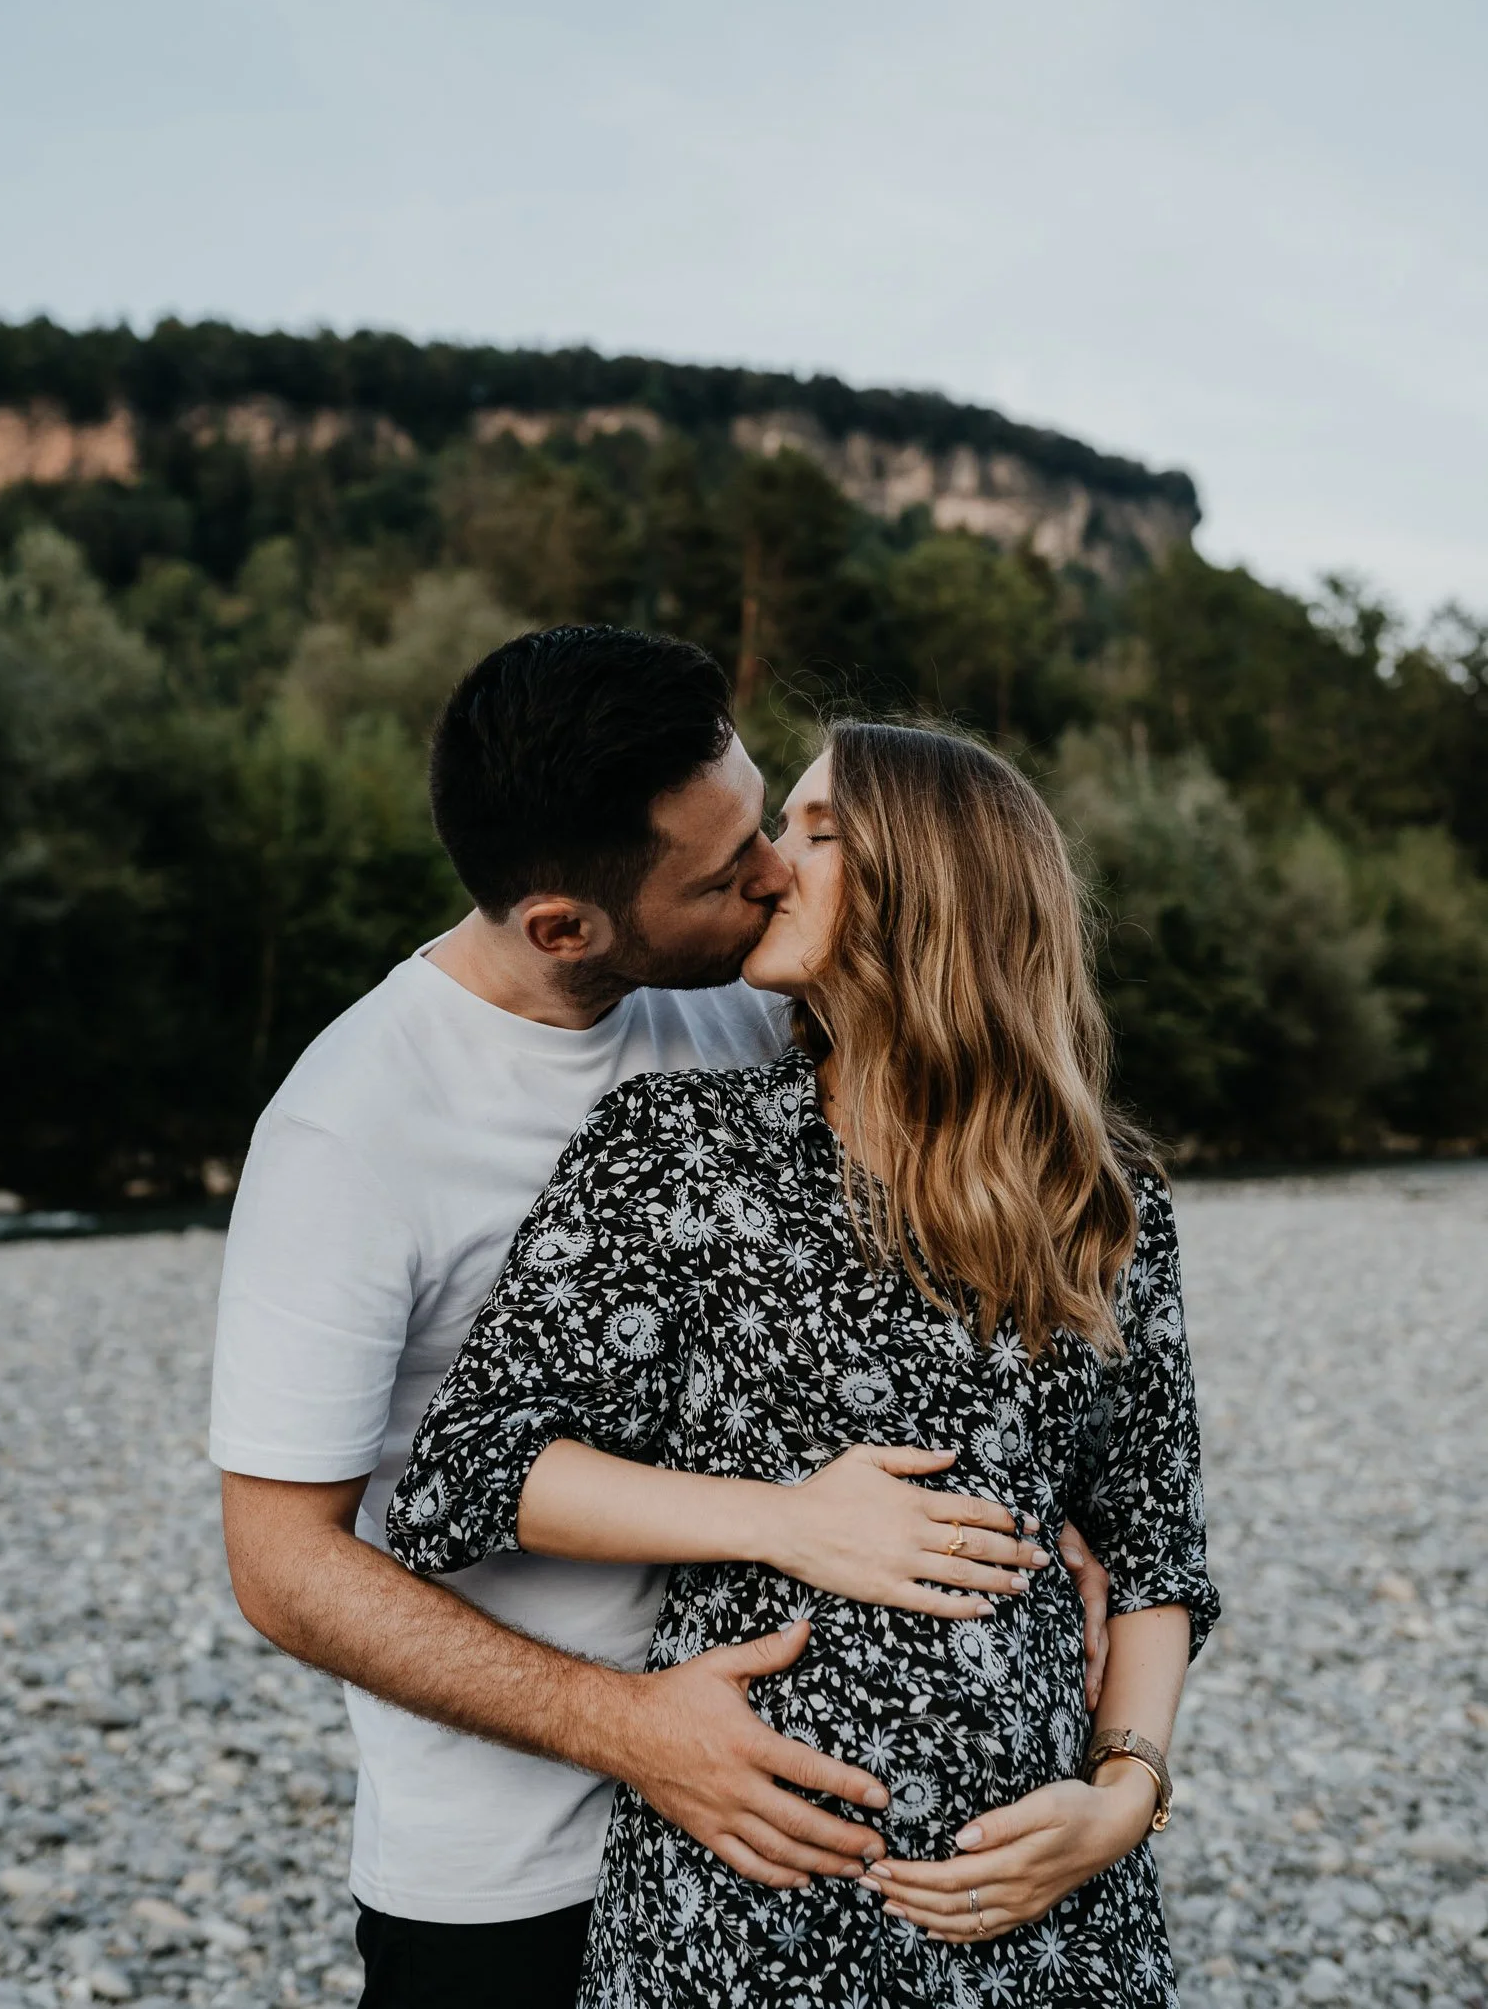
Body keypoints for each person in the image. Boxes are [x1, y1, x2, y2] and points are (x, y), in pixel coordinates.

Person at [209, 630, 1109, 2009]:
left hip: (793, 1844)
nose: (772, 874)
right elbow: (280, 1563)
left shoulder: (745, 1006)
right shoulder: (351, 1128)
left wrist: (1067, 1537)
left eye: (765, 822)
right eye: (724, 869)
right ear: (566, 924)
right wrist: (627, 1724)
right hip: (516, 1868)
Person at [388, 720, 1220, 2006]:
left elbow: (1155, 1546)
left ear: (932, 889)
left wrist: (1123, 1797)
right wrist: (786, 1523)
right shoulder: (681, 1149)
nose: (769, 864)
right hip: (754, 1902)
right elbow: (465, 1475)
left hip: (1047, 1919)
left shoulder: (1105, 1205)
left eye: (817, 832)